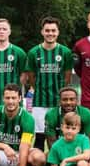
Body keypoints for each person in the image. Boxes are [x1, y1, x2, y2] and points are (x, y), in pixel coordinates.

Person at [26, 17, 73, 151]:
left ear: (58, 32)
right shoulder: (33, 52)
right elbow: (31, 77)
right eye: (47, 30)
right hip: (40, 102)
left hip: (59, 102)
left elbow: (67, 77)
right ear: (42, 32)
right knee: (39, 138)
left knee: (60, 136)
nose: (50, 33)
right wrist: (40, 89)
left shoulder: (65, 52)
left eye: (53, 30)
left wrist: (62, 96)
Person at [0, 18, 27, 110]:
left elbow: (24, 73)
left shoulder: (19, 52)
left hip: (14, 102)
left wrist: (16, 88)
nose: (1, 31)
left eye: (4, 29)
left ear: (9, 32)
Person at [44, 86, 90, 152]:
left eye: (72, 99)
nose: (68, 103)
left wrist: (76, 156)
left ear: (77, 100)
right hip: (61, 151)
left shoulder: (85, 113)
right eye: (65, 99)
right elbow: (51, 143)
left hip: (80, 151)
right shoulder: (51, 115)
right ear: (59, 101)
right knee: (42, 158)